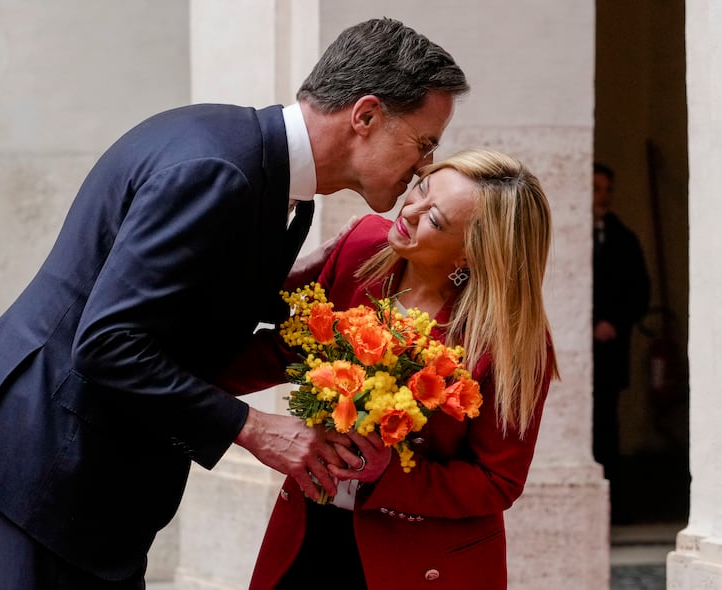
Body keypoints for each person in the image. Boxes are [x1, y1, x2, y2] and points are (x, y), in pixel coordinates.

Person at [0, 18, 469, 590]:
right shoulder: (217, 170)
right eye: (423, 143)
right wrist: (257, 428)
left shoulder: (263, 169)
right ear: (365, 115)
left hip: (93, 456)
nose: (424, 167)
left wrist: (300, 296)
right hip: (54, 450)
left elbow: (187, 295)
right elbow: (108, 343)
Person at [217, 148, 560, 589]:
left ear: (471, 255)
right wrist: (170, 375)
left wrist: (388, 474)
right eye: (422, 188)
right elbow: (287, 351)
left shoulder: (511, 341)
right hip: (306, 527)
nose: (410, 211)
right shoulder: (361, 243)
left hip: (422, 558)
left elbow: (498, 481)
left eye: (435, 220)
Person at [592, 162, 650, 522]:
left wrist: (614, 323)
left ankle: (614, 507)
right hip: (578, 350)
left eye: (607, 190)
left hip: (610, 352)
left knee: (608, 425)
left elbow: (639, 291)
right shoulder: (565, 235)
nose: (603, 197)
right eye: (597, 189)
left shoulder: (624, 239)